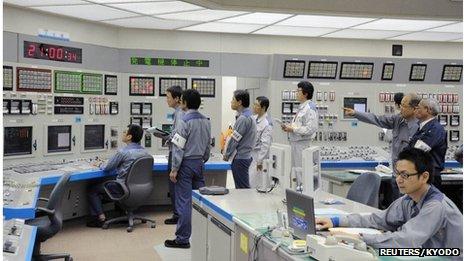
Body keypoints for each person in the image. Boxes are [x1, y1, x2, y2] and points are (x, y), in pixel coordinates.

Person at [316, 148, 463, 252]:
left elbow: (406, 240)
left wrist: (358, 237)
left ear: (424, 177)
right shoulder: (408, 200)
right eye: (397, 173)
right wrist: (336, 221)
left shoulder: (435, 206)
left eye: (405, 175)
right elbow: (378, 219)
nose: (398, 179)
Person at [343, 93, 420, 204]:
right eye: (400, 105)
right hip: (397, 175)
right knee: (397, 208)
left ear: (414, 109)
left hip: (410, 177)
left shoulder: (421, 127)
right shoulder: (398, 119)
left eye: (403, 106)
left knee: (409, 208)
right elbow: (378, 119)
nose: (400, 108)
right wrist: (356, 113)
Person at [165, 89, 211, 249]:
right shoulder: (206, 120)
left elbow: (178, 147)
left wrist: (174, 168)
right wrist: (202, 160)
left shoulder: (184, 120)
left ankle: (182, 239)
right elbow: (207, 146)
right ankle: (204, 234)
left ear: (184, 103)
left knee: (184, 202)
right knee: (201, 201)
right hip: (199, 163)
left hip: (185, 165)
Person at [86, 124, 150, 227]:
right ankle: (122, 213)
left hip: (122, 189)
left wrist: (98, 163)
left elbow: (107, 167)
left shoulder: (123, 152)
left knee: (92, 188)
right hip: (140, 189)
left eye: (125, 132)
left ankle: (100, 218)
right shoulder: (145, 153)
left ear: (129, 137)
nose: (123, 133)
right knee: (118, 180)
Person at [408, 98, 447, 190]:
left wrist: (407, 152)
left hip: (430, 176)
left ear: (428, 110)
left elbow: (417, 151)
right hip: (421, 173)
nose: (415, 110)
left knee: (428, 203)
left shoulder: (435, 129)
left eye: (418, 108)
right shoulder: (422, 127)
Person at [223, 90, 257, 189]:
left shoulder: (243, 118)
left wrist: (227, 154)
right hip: (245, 156)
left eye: (233, 99)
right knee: (242, 187)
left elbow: (234, 139)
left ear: (239, 102)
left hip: (240, 158)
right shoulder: (248, 116)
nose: (231, 102)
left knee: (242, 189)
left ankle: (246, 204)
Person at [281, 81, 318, 169]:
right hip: (295, 144)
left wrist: (293, 129)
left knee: (301, 173)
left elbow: (310, 129)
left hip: (302, 146)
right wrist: (288, 127)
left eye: (298, 91)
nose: (296, 93)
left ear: (305, 93)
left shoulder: (310, 108)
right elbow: (299, 125)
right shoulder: (302, 107)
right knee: (295, 173)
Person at [163, 85, 185, 225]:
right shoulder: (178, 113)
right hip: (176, 153)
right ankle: (178, 213)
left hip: (175, 153)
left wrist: (175, 166)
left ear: (177, 99)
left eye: (168, 97)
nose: (167, 100)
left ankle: (178, 215)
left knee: (175, 186)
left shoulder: (180, 113)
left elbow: (179, 140)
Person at [249, 96, 273, 189]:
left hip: (258, 156)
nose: (254, 107)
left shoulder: (267, 123)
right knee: (250, 181)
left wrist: (260, 160)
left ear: (263, 108)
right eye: (254, 104)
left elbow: (265, 145)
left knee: (256, 182)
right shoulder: (254, 118)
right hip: (251, 154)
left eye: (256, 105)